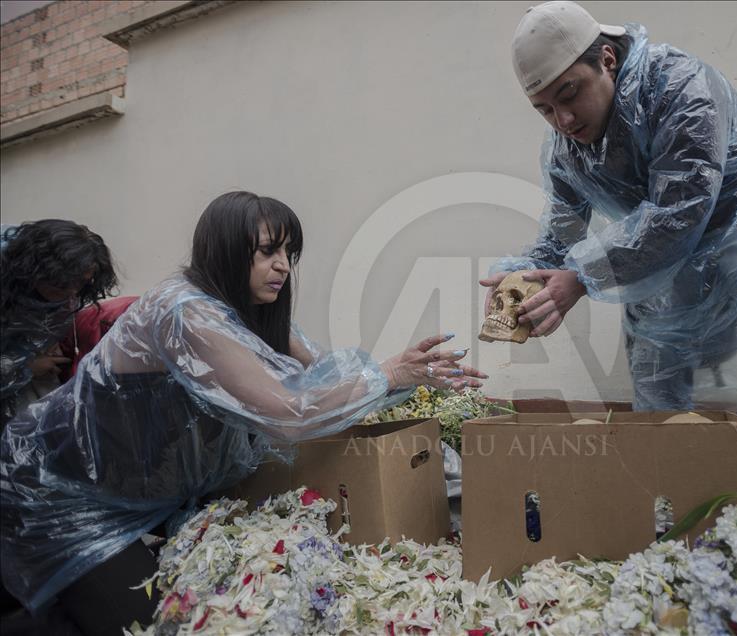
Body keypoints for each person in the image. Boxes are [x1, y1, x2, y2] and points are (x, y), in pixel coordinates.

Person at [0, 191, 486, 634]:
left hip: (134, 495)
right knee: (145, 623)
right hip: (57, 495)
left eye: (288, 255)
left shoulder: (248, 314)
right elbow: (288, 412)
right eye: (267, 252)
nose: (281, 267)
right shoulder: (185, 313)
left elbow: (320, 380)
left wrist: (408, 377)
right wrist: (390, 373)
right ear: (227, 249)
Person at [482, 1, 737, 515]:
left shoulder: (679, 87)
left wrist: (580, 277)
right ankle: (669, 510)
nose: (563, 119)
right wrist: (521, 277)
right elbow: (558, 239)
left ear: (606, 58)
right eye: (544, 109)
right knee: (654, 356)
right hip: (663, 244)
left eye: (569, 95)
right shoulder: (566, 151)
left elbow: (683, 206)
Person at [1, 220, 118, 427]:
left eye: (81, 282)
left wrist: (43, 347)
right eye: (63, 283)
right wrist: (26, 368)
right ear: (34, 269)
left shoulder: (63, 298)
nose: (72, 291)